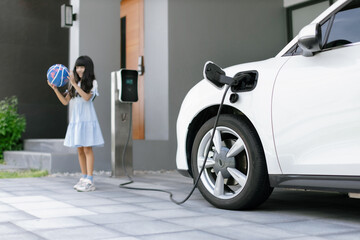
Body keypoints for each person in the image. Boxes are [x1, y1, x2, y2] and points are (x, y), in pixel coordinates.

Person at [48, 55, 104, 192]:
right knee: (79, 149)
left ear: (88, 68)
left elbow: (86, 98)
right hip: (77, 120)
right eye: (77, 67)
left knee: (87, 149)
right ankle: (84, 177)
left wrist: (73, 84)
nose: (79, 69)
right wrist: (55, 89)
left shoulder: (92, 83)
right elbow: (65, 101)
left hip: (88, 119)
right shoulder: (74, 84)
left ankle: (90, 180)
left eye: (82, 67)